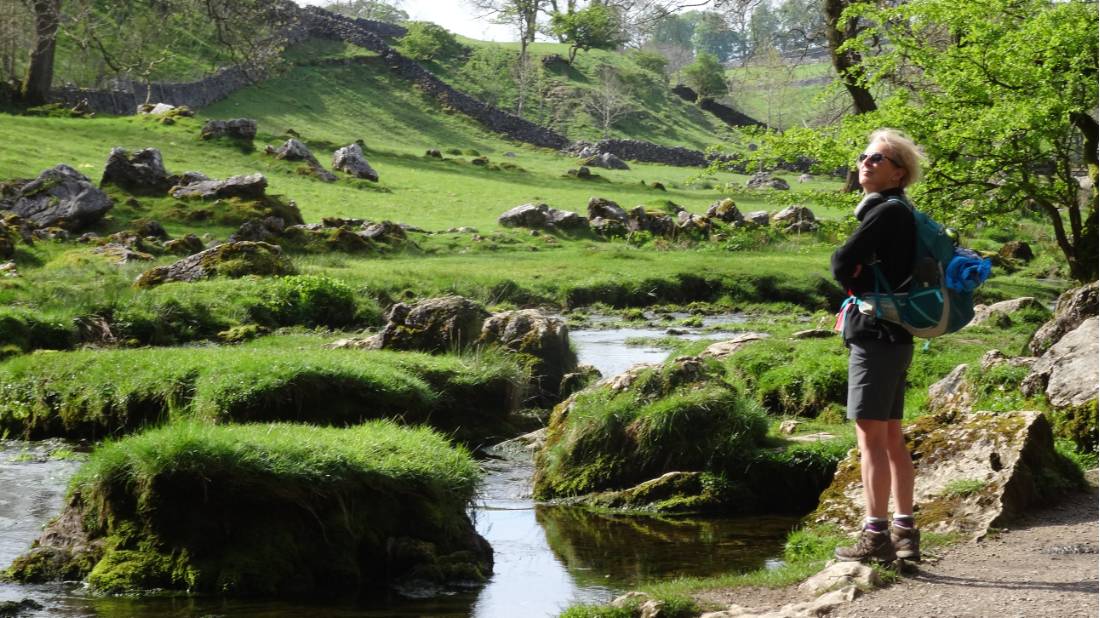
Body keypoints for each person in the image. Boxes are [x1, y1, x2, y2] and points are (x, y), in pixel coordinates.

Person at [830, 128, 925, 563]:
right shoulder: (899, 211)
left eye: (877, 159)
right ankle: (905, 534)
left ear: (898, 174)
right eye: (864, 156)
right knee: (889, 436)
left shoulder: (886, 212)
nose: (865, 163)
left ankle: (876, 537)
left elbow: (840, 261)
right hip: (897, 334)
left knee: (870, 438)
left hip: (877, 337)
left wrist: (852, 282)